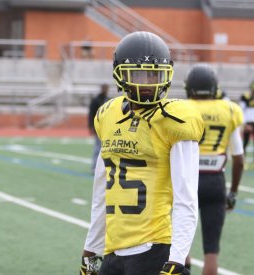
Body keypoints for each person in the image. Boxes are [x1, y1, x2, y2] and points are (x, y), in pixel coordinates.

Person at [80, 31, 203, 275]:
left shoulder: (174, 120)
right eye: (138, 74)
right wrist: (91, 248)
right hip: (114, 251)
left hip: (153, 248)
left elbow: (186, 199)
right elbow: (101, 191)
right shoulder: (108, 114)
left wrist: (177, 259)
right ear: (120, 75)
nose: (147, 83)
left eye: (154, 74)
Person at [184, 64, 244, 275]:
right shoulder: (228, 109)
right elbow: (238, 158)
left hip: (186, 182)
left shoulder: (182, 108)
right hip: (215, 182)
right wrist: (233, 191)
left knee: (181, 246)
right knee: (211, 251)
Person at [88, 84, 109, 173]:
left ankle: (104, 168)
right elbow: (91, 114)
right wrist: (91, 126)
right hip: (98, 127)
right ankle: (94, 167)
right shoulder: (96, 100)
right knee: (97, 148)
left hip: (107, 127)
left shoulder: (108, 100)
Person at [239, 81, 254, 162]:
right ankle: (243, 161)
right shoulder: (245, 97)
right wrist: (244, 124)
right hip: (248, 122)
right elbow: (241, 110)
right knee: (245, 143)